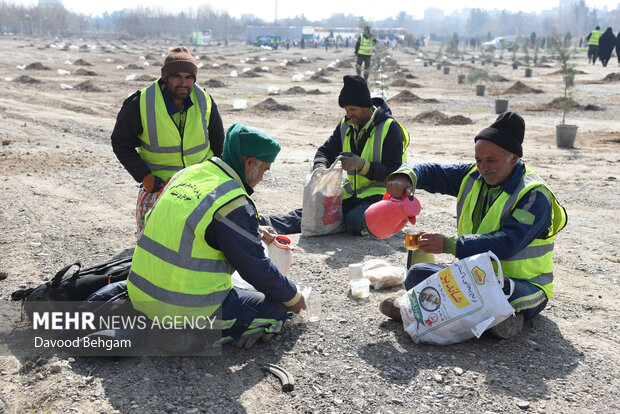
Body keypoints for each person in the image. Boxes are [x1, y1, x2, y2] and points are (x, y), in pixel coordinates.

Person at [379, 112, 567, 339]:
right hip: (473, 279)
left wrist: (449, 244)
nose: (483, 167)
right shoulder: (472, 176)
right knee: (417, 275)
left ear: (514, 158)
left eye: (491, 160)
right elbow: (432, 172)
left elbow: (508, 242)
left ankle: (428, 311)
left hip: (522, 286)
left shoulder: (534, 195)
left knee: (496, 294)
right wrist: (406, 176)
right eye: (478, 160)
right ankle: (491, 321)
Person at [127, 123, 306, 350]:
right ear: (250, 163)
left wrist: (254, 230)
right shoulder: (232, 202)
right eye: (264, 170)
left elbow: (189, 223)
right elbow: (256, 269)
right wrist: (293, 296)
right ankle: (188, 338)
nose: (262, 177)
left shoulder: (190, 174)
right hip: (178, 311)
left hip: (141, 295)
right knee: (275, 311)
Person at [263, 75, 409, 236]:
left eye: (352, 109)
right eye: (346, 110)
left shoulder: (390, 129)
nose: (348, 115)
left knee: (354, 222)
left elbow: (396, 173)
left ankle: (390, 219)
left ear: (366, 107)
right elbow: (325, 151)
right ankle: (266, 223)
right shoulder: (346, 125)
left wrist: (363, 166)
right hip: (353, 195)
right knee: (317, 214)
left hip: (383, 198)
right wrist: (320, 167)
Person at [111, 46, 225, 235]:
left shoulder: (204, 100)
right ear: (166, 78)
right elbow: (120, 142)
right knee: (154, 240)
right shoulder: (141, 103)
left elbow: (219, 145)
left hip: (201, 183)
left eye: (189, 77)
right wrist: (144, 176)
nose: (184, 83)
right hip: (160, 185)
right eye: (177, 77)